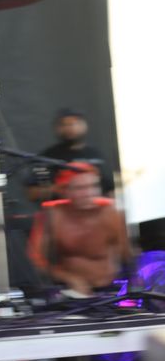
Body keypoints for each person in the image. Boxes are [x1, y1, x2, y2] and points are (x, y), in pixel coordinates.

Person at [27, 162, 133, 297]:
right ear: (65, 191)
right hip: (69, 291)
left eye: (93, 186)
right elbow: (36, 259)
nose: (89, 193)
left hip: (109, 291)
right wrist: (68, 278)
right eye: (80, 188)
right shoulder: (53, 216)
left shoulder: (112, 213)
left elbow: (127, 256)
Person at [26, 108, 115, 204]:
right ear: (57, 128)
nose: (70, 128)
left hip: (95, 209)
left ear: (84, 125)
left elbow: (111, 190)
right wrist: (56, 189)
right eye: (64, 124)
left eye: (75, 123)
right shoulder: (47, 157)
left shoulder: (97, 155)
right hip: (62, 210)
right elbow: (32, 193)